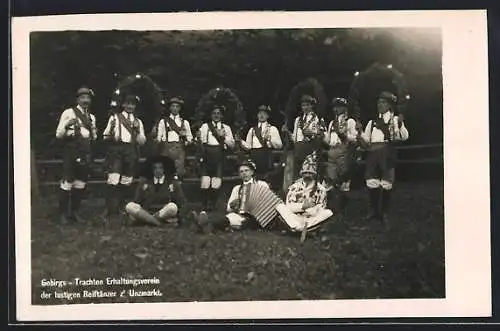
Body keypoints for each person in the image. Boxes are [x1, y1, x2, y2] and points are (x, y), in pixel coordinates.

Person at [360, 91, 409, 226]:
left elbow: (404, 137)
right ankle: (374, 211)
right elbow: (366, 139)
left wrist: (400, 124)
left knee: (386, 183)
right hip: (373, 154)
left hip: (388, 153)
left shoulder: (395, 120)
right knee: (372, 181)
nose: (380, 105)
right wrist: (359, 133)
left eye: (383, 103)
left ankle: (385, 212)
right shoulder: (372, 122)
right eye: (379, 103)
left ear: (390, 105)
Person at [187, 159, 270, 233]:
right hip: (238, 215)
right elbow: (228, 208)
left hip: (254, 219)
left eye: (246, 170)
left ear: (252, 172)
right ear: (239, 175)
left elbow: (268, 202)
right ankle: (205, 223)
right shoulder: (237, 188)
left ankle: (201, 221)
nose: (244, 173)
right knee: (226, 218)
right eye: (241, 172)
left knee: (228, 220)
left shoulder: (261, 184)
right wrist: (233, 205)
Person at [55, 86, 98, 224]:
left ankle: (74, 212)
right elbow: (59, 134)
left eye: (87, 98)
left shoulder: (91, 117)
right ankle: (62, 214)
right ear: (77, 99)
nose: (85, 100)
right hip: (71, 151)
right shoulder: (69, 113)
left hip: (85, 152)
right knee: (67, 181)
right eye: (82, 98)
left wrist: (93, 131)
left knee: (80, 183)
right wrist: (67, 125)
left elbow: (94, 137)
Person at [102, 94, 147, 224]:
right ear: (123, 105)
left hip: (131, 151)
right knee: (113, 180)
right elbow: (105, 135)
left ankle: (121, 207)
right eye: (127, 103)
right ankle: (110, 209)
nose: (130, 106)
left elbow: (142, 141)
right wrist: (111, 136)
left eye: (132, 104)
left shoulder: (138, 121)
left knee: (127, 180)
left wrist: (138, 131)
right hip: (116, 150)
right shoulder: (115, 118)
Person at [275, 152, 333, 233]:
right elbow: (289, 206)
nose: (307, 175)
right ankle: (299, 227)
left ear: (314, 175)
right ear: (301, 174)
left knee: (328, 213)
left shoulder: (321, 189)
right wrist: (303, 206)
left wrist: (310, 210)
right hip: (295, 217)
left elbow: (321, 208)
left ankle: (299, 228)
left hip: (311, 219)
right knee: (280, 206)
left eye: (310, 173)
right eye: (305, 173)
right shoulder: (294, 187)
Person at [322, 97, 361, 217]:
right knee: (329, 180)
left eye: (339, 107)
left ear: (345, 108)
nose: (336, 109)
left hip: (344, 151)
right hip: (332, 151)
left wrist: (344, 135)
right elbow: (328, 140)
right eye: (335, 107)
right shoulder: (332, 123)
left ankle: (342, 211)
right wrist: (322, 133)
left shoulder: (350, 121)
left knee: (344, 181)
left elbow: (355, 139)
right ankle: (328, 209)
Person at [124, 155, 186, 226]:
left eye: (160, 168)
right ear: (152, 170)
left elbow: (182, 201)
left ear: (164, 169)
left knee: (172, 207)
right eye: (155, 168)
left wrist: (180, 216)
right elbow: (137, 200)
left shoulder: (172, 182)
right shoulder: (145, 183)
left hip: (164, 212)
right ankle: (158, 223)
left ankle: (146, 220)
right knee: (129, 206)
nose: (158, 170)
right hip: (146, 211)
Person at [197, 104, 236, 213]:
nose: (216, 115)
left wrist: (223, 136)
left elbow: (232, 145)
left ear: (222, 115)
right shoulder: (205, 126)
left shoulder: (226, 128)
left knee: (217, 181)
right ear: (210, 115)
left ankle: (213, 206)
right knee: (205, 181)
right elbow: (201, 142)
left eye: (218, 113)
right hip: (207, 155)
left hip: (219, 156)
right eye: (214, 113)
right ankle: (204, 206)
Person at [240, 104, 283, 182]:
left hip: (266, 154)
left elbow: (279, 145)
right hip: (254, 155)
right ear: (257, 115)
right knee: (254, 178)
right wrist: (240, 141)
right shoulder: (252, 130)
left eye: (264, 113)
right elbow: (248, 146)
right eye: (260, 113)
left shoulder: (272, 129)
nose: (261, 115)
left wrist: (270, 140)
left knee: (266, 178)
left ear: (267, 116)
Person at [155, 96, 193, 182]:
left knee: (179, 173)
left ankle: (177, 192)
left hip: (179, 149)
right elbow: (159, 137)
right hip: (167, 149)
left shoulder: (185, 122)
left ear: (180, 108)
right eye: (173, 106)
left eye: (177, 106)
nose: (175, 108)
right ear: (169, 108)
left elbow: (190, 138)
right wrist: (158, 141)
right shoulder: (163, 121)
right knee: (166, 172)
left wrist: (187, 141)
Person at [291, 94, 326, 178]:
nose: (305, 107)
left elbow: (321, 134)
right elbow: (295, 135)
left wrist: (312, 134)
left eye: (307, 105)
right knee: (298, 172)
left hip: (311, 147)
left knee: (310, 171)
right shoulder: (298, 119)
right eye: (303, 105)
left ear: (312, 106)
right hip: (299, 147)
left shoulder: (317, 119)